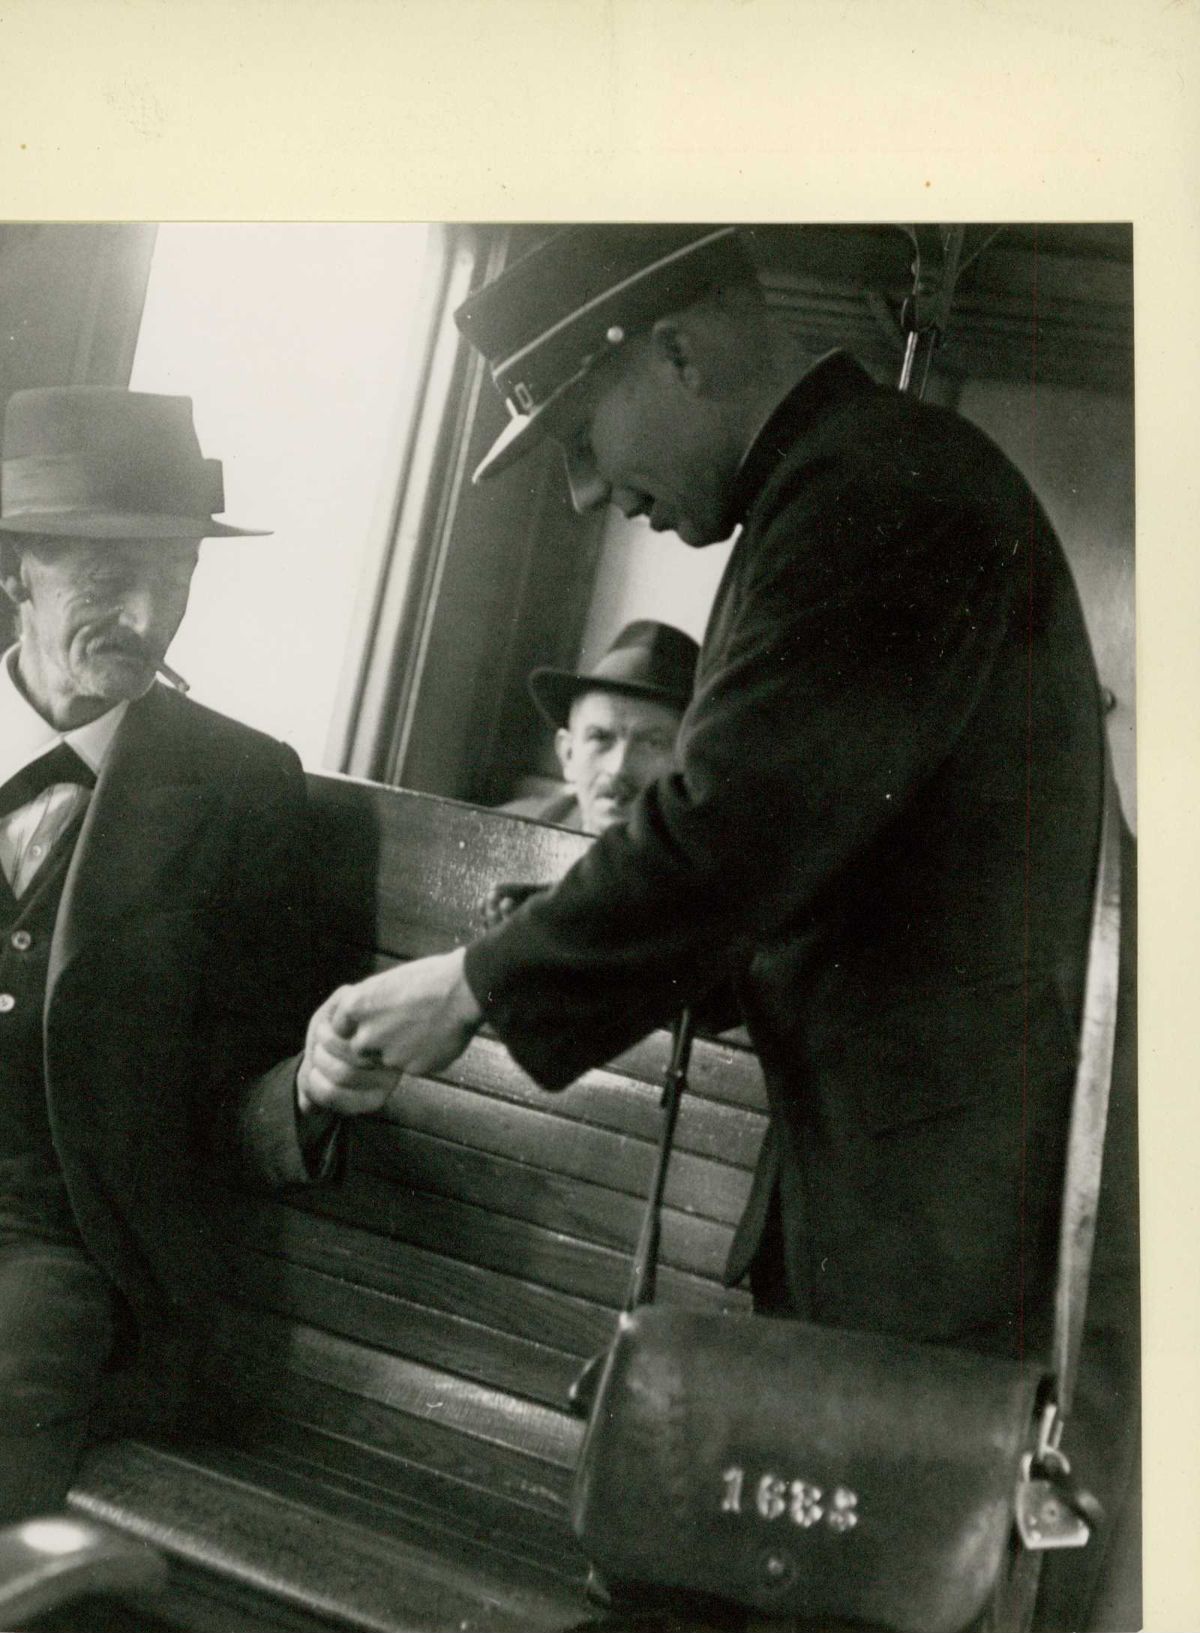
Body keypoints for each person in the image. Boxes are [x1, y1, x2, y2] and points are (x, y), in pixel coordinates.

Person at [306, 228, 1136, 1626]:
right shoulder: (846, 485)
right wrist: (535, 945)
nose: (587, 493)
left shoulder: (876, 496)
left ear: (681, 352)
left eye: (582, 436)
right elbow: (810, 867)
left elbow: (733, 831)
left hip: (955, 1229)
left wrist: (473, 983)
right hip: (914, 1197)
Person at [0, 386, 390, 1524]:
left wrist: (312, 1087)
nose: (148, 612)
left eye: (174, 575)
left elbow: (241, 1092)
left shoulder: (238, 787)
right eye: (107, 575)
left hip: (55, 1252)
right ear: (18, 568)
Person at [503, 619, 698, 835]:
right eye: (600, 737)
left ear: (689, 764)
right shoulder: (508, 831)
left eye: (652, 743)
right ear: (568, 754)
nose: (618, 768)